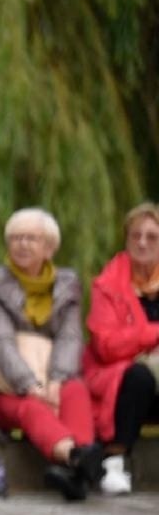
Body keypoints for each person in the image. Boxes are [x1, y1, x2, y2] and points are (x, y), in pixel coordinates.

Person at [0, 207, 102, 500]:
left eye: (31, 238)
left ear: (49, 247)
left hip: (52, 374)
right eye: (15, 238)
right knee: (32, 408)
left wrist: (56, 379)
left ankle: (75, 473)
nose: (22, 244)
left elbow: (70, 337)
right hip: (5, 388)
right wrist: (31, 385)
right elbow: (0, 341)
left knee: (76, 390)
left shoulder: (66, 284)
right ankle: (77, 457)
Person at [85, 201, 159, 494]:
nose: (142, 242)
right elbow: (106, 346)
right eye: (135, 235)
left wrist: (138, 338)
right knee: (139, 376)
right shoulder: (108, 285)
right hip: (122, 384)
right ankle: (115, 463)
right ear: (126, 239)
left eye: (152, 237)